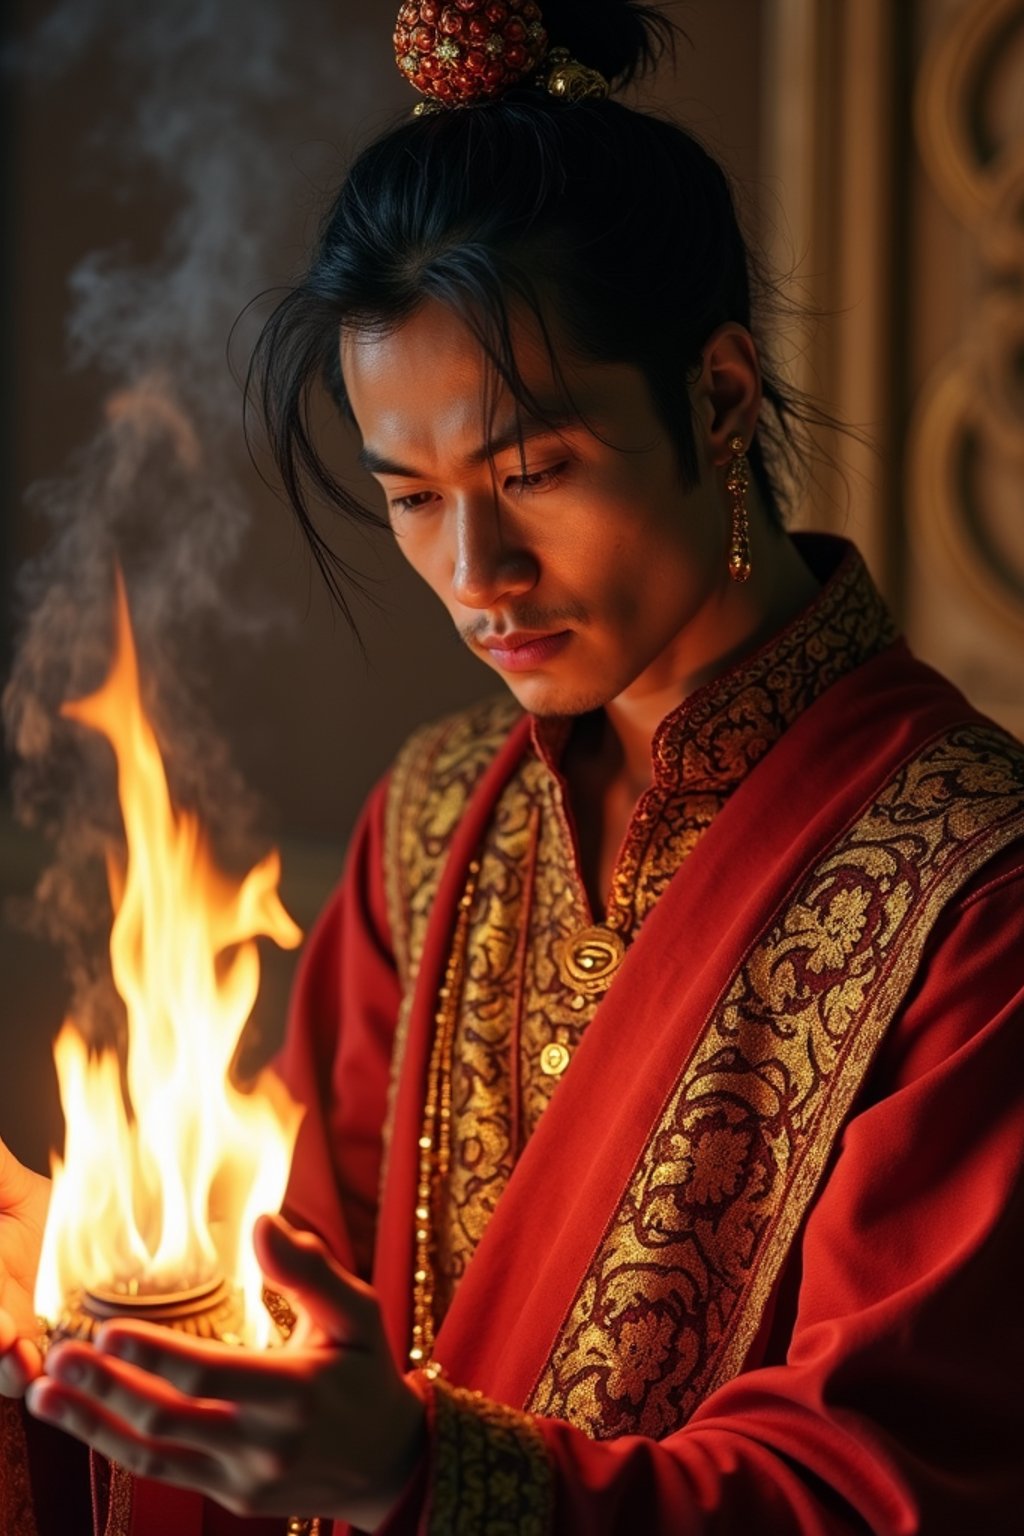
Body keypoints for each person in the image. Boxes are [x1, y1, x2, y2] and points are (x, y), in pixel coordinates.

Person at [3, 2, 1023, 1532]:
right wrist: (91, 1309)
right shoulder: (434, 822)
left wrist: (419, 1471)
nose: (476, 572)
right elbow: (287, 1308)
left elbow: (887, 1482)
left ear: (722, 398)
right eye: (410, 496)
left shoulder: (972, 888)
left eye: (533, 472)